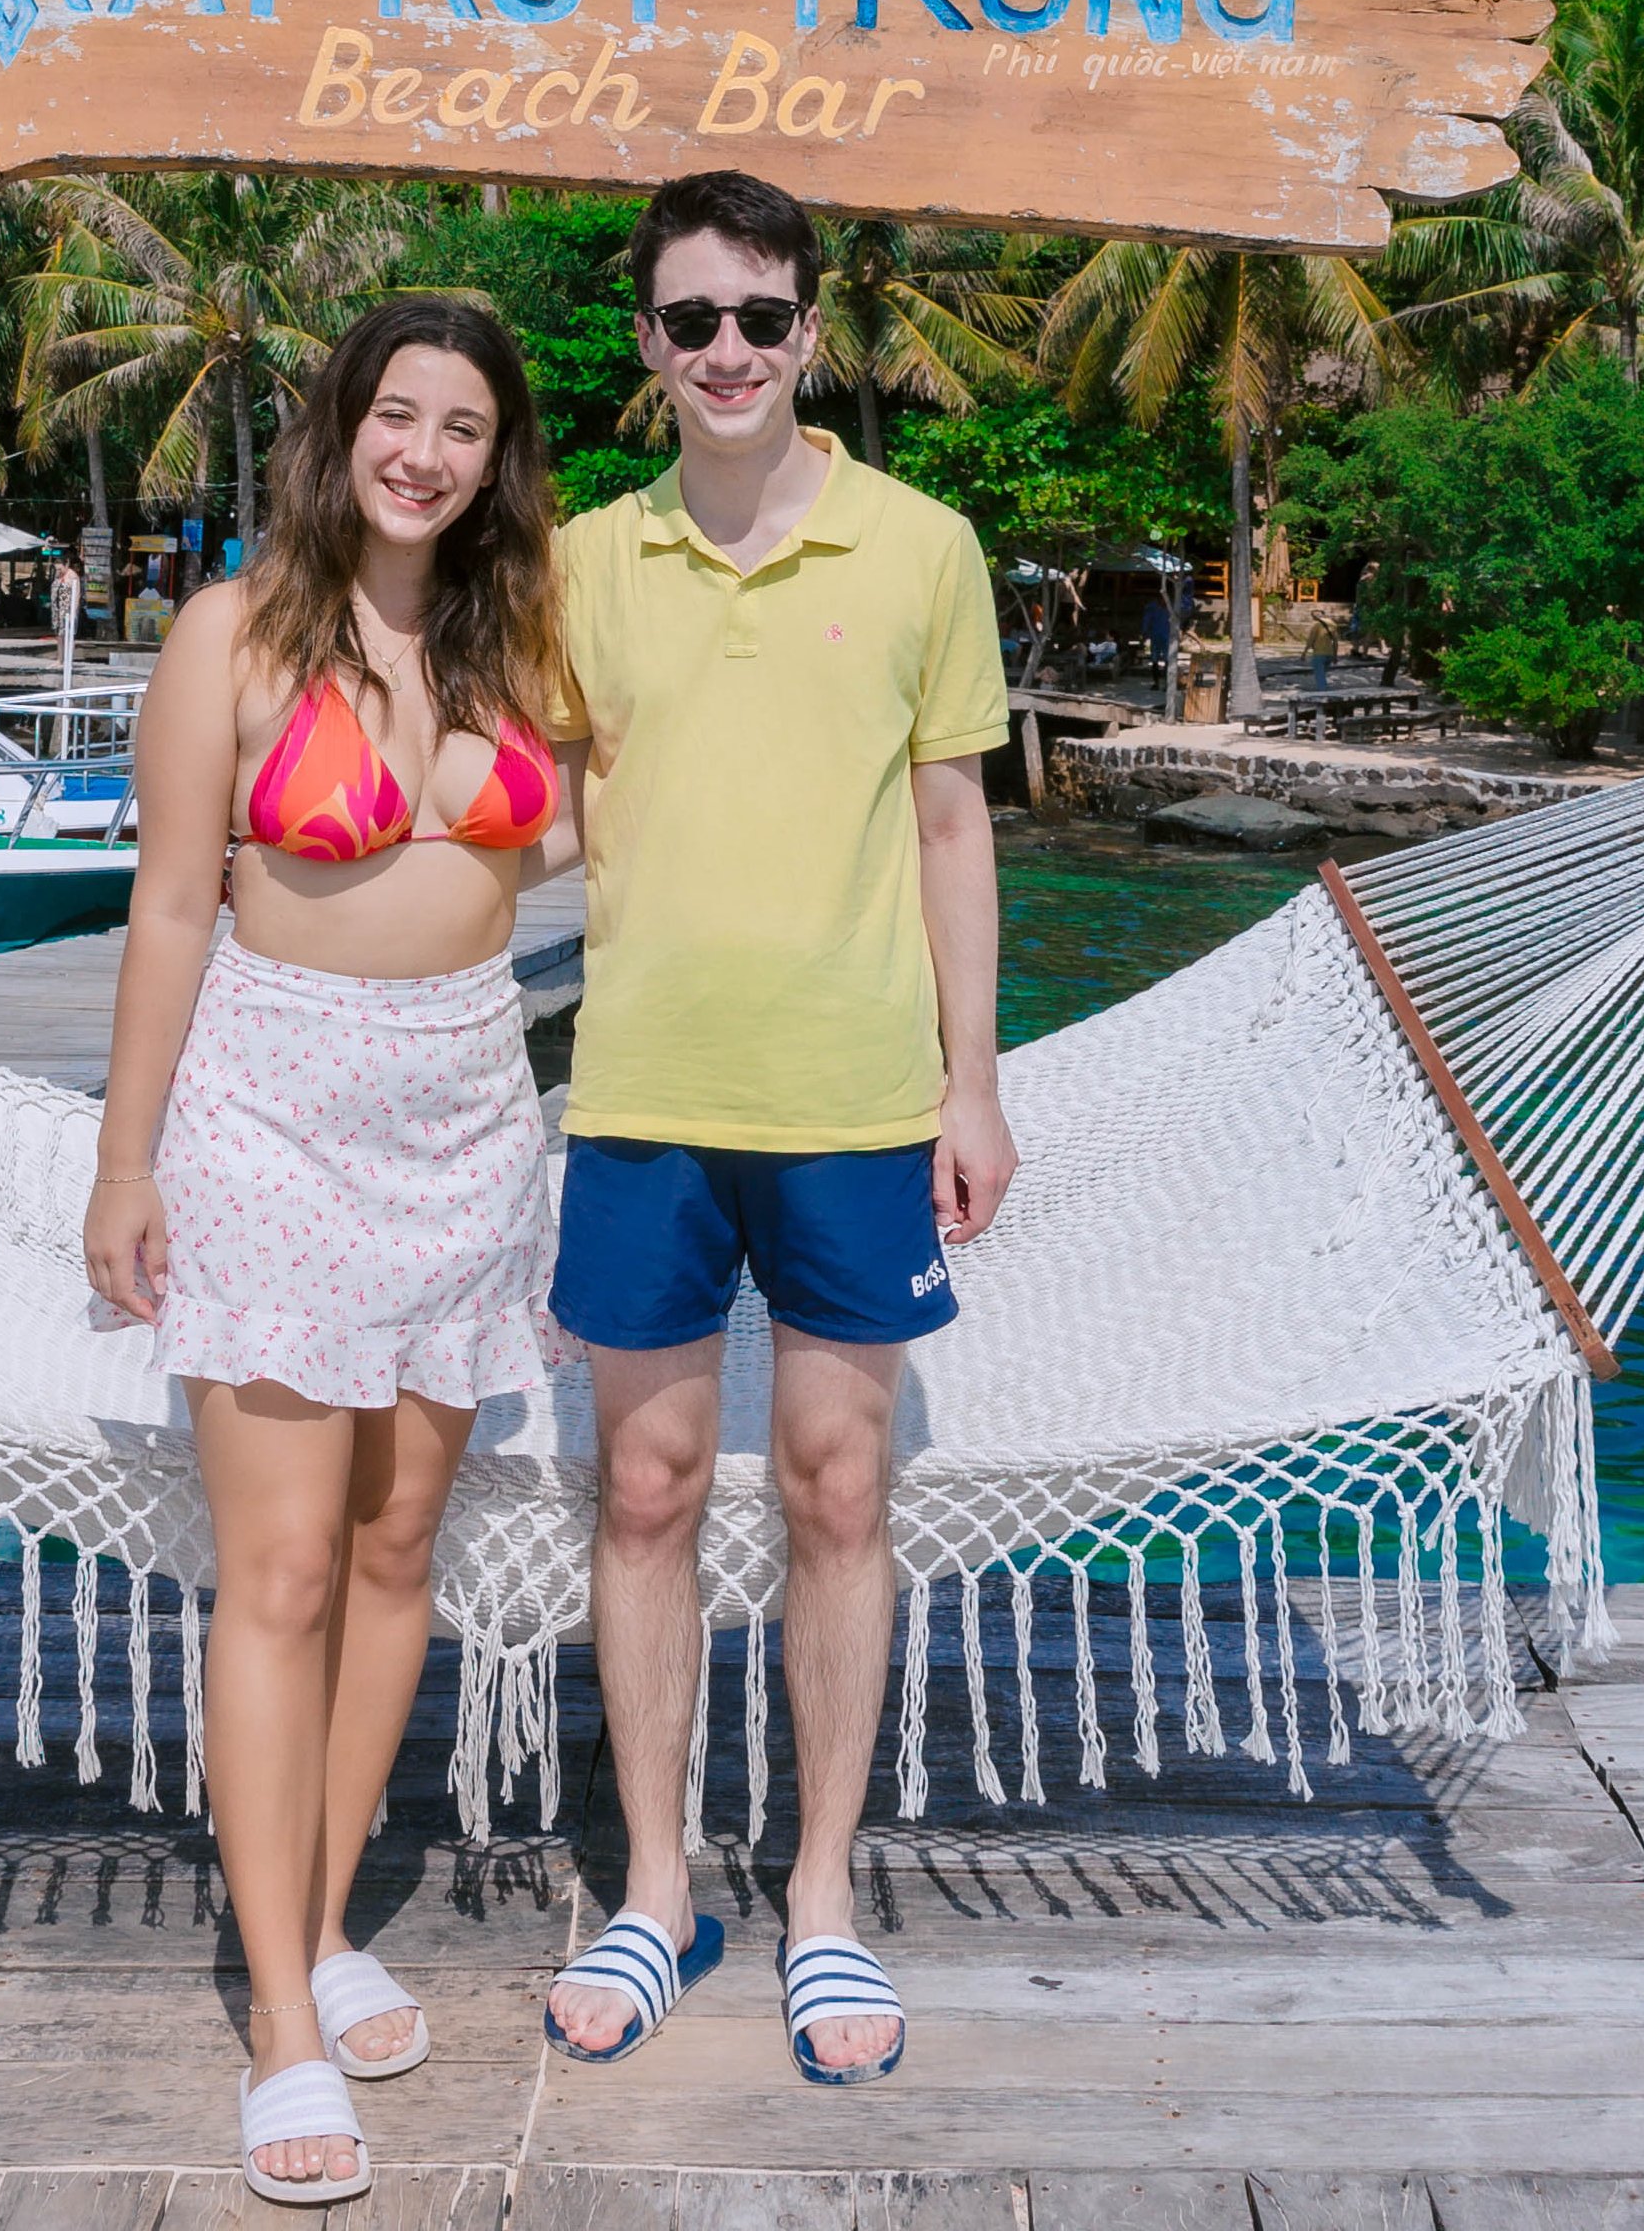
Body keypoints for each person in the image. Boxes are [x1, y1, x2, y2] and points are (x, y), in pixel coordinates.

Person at [84, 298, 578, 2204]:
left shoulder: (526, 640)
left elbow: (656, 829)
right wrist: (126, 1162)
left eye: (465, 424)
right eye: (399, 412)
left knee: (396, 1550)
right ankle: (283, 2011)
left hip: (468, 1116)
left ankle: (322, 1913)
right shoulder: (235, 633)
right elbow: (167, 915)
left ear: (496, 456)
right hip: (274, 1112)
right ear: (340, 427)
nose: (426, 452)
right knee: (281, 1565)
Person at [536, 170, 1009, 2094]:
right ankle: (657, 1884)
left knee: (837, 1488)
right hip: (638, 1091)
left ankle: (821, 1889)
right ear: (646, 344)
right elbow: (541, 814)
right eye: (688, 319)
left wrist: (973, 1075)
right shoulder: (580, 558)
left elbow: (956, 826)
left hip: (853, 1102)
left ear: (811, 331)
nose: (724, 350)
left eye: (757, 316)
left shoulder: (923, 545)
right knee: (640, 1495)